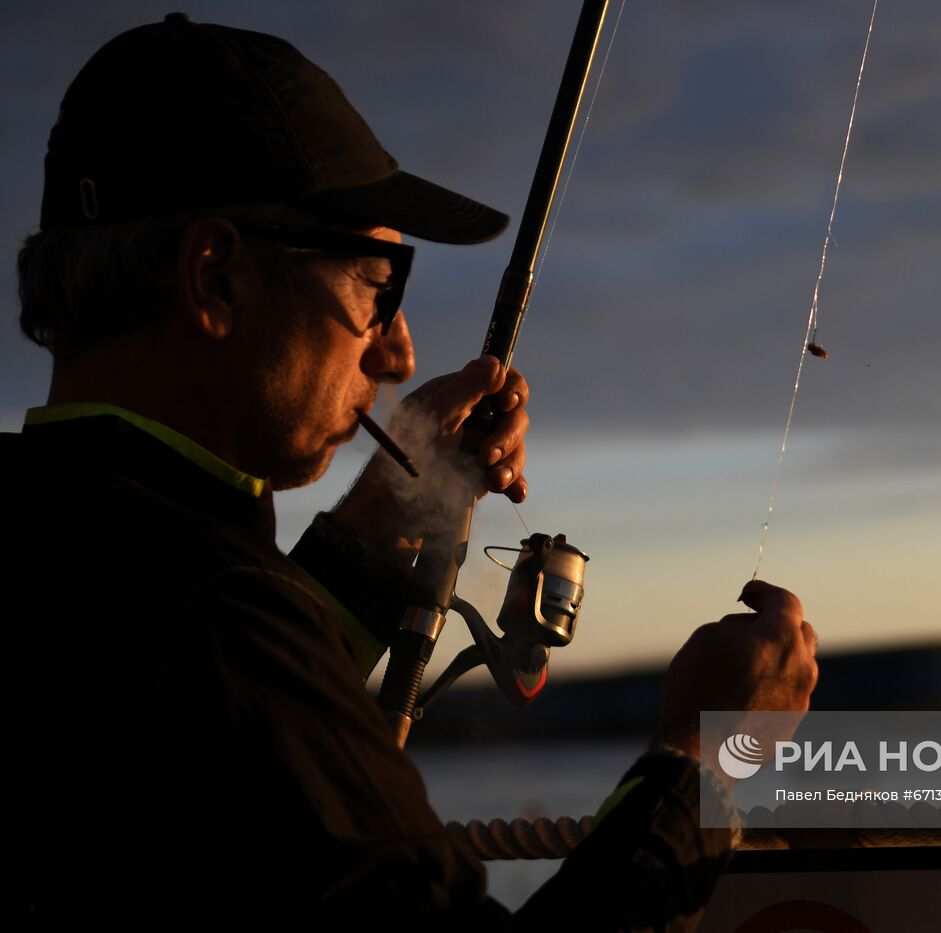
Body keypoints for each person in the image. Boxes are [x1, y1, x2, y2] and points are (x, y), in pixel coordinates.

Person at [3, 14, 818, 928]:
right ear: (217, 276)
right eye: (376, 286)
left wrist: (388, 520)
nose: (397, 354)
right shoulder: (221, 623)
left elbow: (192, 731)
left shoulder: (66, 550)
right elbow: (222, 663)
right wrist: (704, 762)